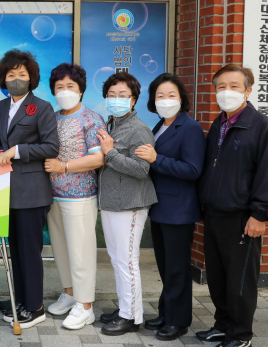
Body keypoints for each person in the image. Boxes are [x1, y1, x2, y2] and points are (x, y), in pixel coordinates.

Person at [195, 64, 268, 347]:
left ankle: (241, 334)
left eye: (234, 86)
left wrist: (260, 215)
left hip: (243, 218)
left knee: (240, 281)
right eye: (221, 87)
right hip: (215, 214)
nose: (227, 92)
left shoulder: (263, 127)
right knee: (219, 277)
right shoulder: (218, 124)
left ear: (248, 90)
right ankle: (222, 325)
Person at [134, 73, 205, 340]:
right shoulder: (160, 125)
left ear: (182, 98)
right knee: (165, 266)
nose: (165, 100)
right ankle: (166, 313)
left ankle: (178, 321)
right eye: (160, 96)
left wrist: (155, 158)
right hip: (161, 206)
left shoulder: (190, 128)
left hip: (179, 210)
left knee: (177, 268)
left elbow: (193, 169)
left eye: (171, 95)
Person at [0, 49, 60, 329]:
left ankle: (35, 307)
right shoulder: (1, 105)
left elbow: (51, 147)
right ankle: (20, 297)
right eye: (11, 75)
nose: (17, 79)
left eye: (22, 74)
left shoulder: (41, 107)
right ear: (3, 79)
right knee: (16, 250)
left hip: (32, 190)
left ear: (31, 78)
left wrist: (16, 150)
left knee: (30, 251)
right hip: (7, 189)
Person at [43, 63, 105, 330]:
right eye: (59, 87)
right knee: (60, 249)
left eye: (70, 86)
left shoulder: (91, 118)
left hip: (80, 196)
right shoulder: (52, 117)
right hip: (52, 196)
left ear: (81, 90)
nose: (65, 91)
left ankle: (86, 305)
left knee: (81, 252)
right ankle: (70, 294)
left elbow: (98, 158)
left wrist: (64, 166)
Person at [96, 72, 157, 336]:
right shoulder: (112, 124)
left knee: (127, 260)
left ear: (133, 100)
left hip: (129, 204)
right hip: (111, 202)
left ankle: (131, 316)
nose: (116, 99)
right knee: (117, 258)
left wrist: (110, 153)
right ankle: (124, 308)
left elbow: (141, 169)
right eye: (111, 95)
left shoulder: (138, 128)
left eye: (123, 95)